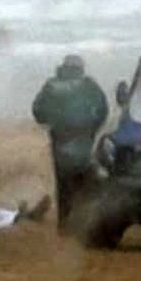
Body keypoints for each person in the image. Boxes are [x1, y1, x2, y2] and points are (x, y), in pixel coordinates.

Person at [31, 55, 110, 232]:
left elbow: (38, 111)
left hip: (60, 139)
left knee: (64, 182)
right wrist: (92, 128)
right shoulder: (89, 85)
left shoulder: (51, 86)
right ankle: (84, 222)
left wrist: (53, 123)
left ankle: (65, 224)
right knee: (85, 179)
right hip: (83, 139)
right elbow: (103, 109)